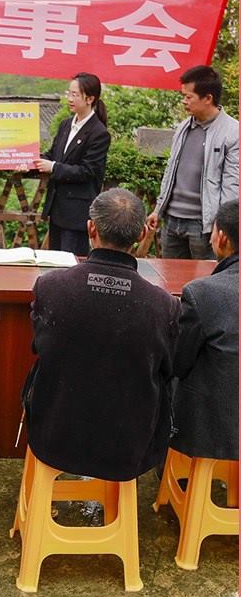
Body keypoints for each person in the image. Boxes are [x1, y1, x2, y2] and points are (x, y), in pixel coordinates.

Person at [25, 188, 179, 481]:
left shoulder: (50, 287)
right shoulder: (163, 304)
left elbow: (39, 345)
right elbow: (169, 368)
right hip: (130, 450)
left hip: (53, 438)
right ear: (141, 233)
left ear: (91, 228)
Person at [146, 65, 239, 260]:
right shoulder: (183, 127)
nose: (184, 101)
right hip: (172, 221)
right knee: (169, 276)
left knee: (205, 275)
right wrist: (158, 210)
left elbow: (232, 186)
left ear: (208, 98)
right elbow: (171, 171)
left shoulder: (232, 132)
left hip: (204, 226)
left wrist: (221, 225)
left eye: (189, 97)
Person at [171, 198, 238, 461]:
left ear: (222, 238)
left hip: (217, 434)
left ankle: (171, 470)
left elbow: (178, 363)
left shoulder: (203, 293)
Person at [31, 73, 111, 257]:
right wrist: (28, 162)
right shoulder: (66, 125)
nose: (69, 99)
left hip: (76, 213)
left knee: (71, 262)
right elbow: (52, 155)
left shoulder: (99, 133)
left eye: (75, 95)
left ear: (90, 99)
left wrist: (54, 167)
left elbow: (88, 171)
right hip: (57, 208)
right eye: (69, 93)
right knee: (54, 262)